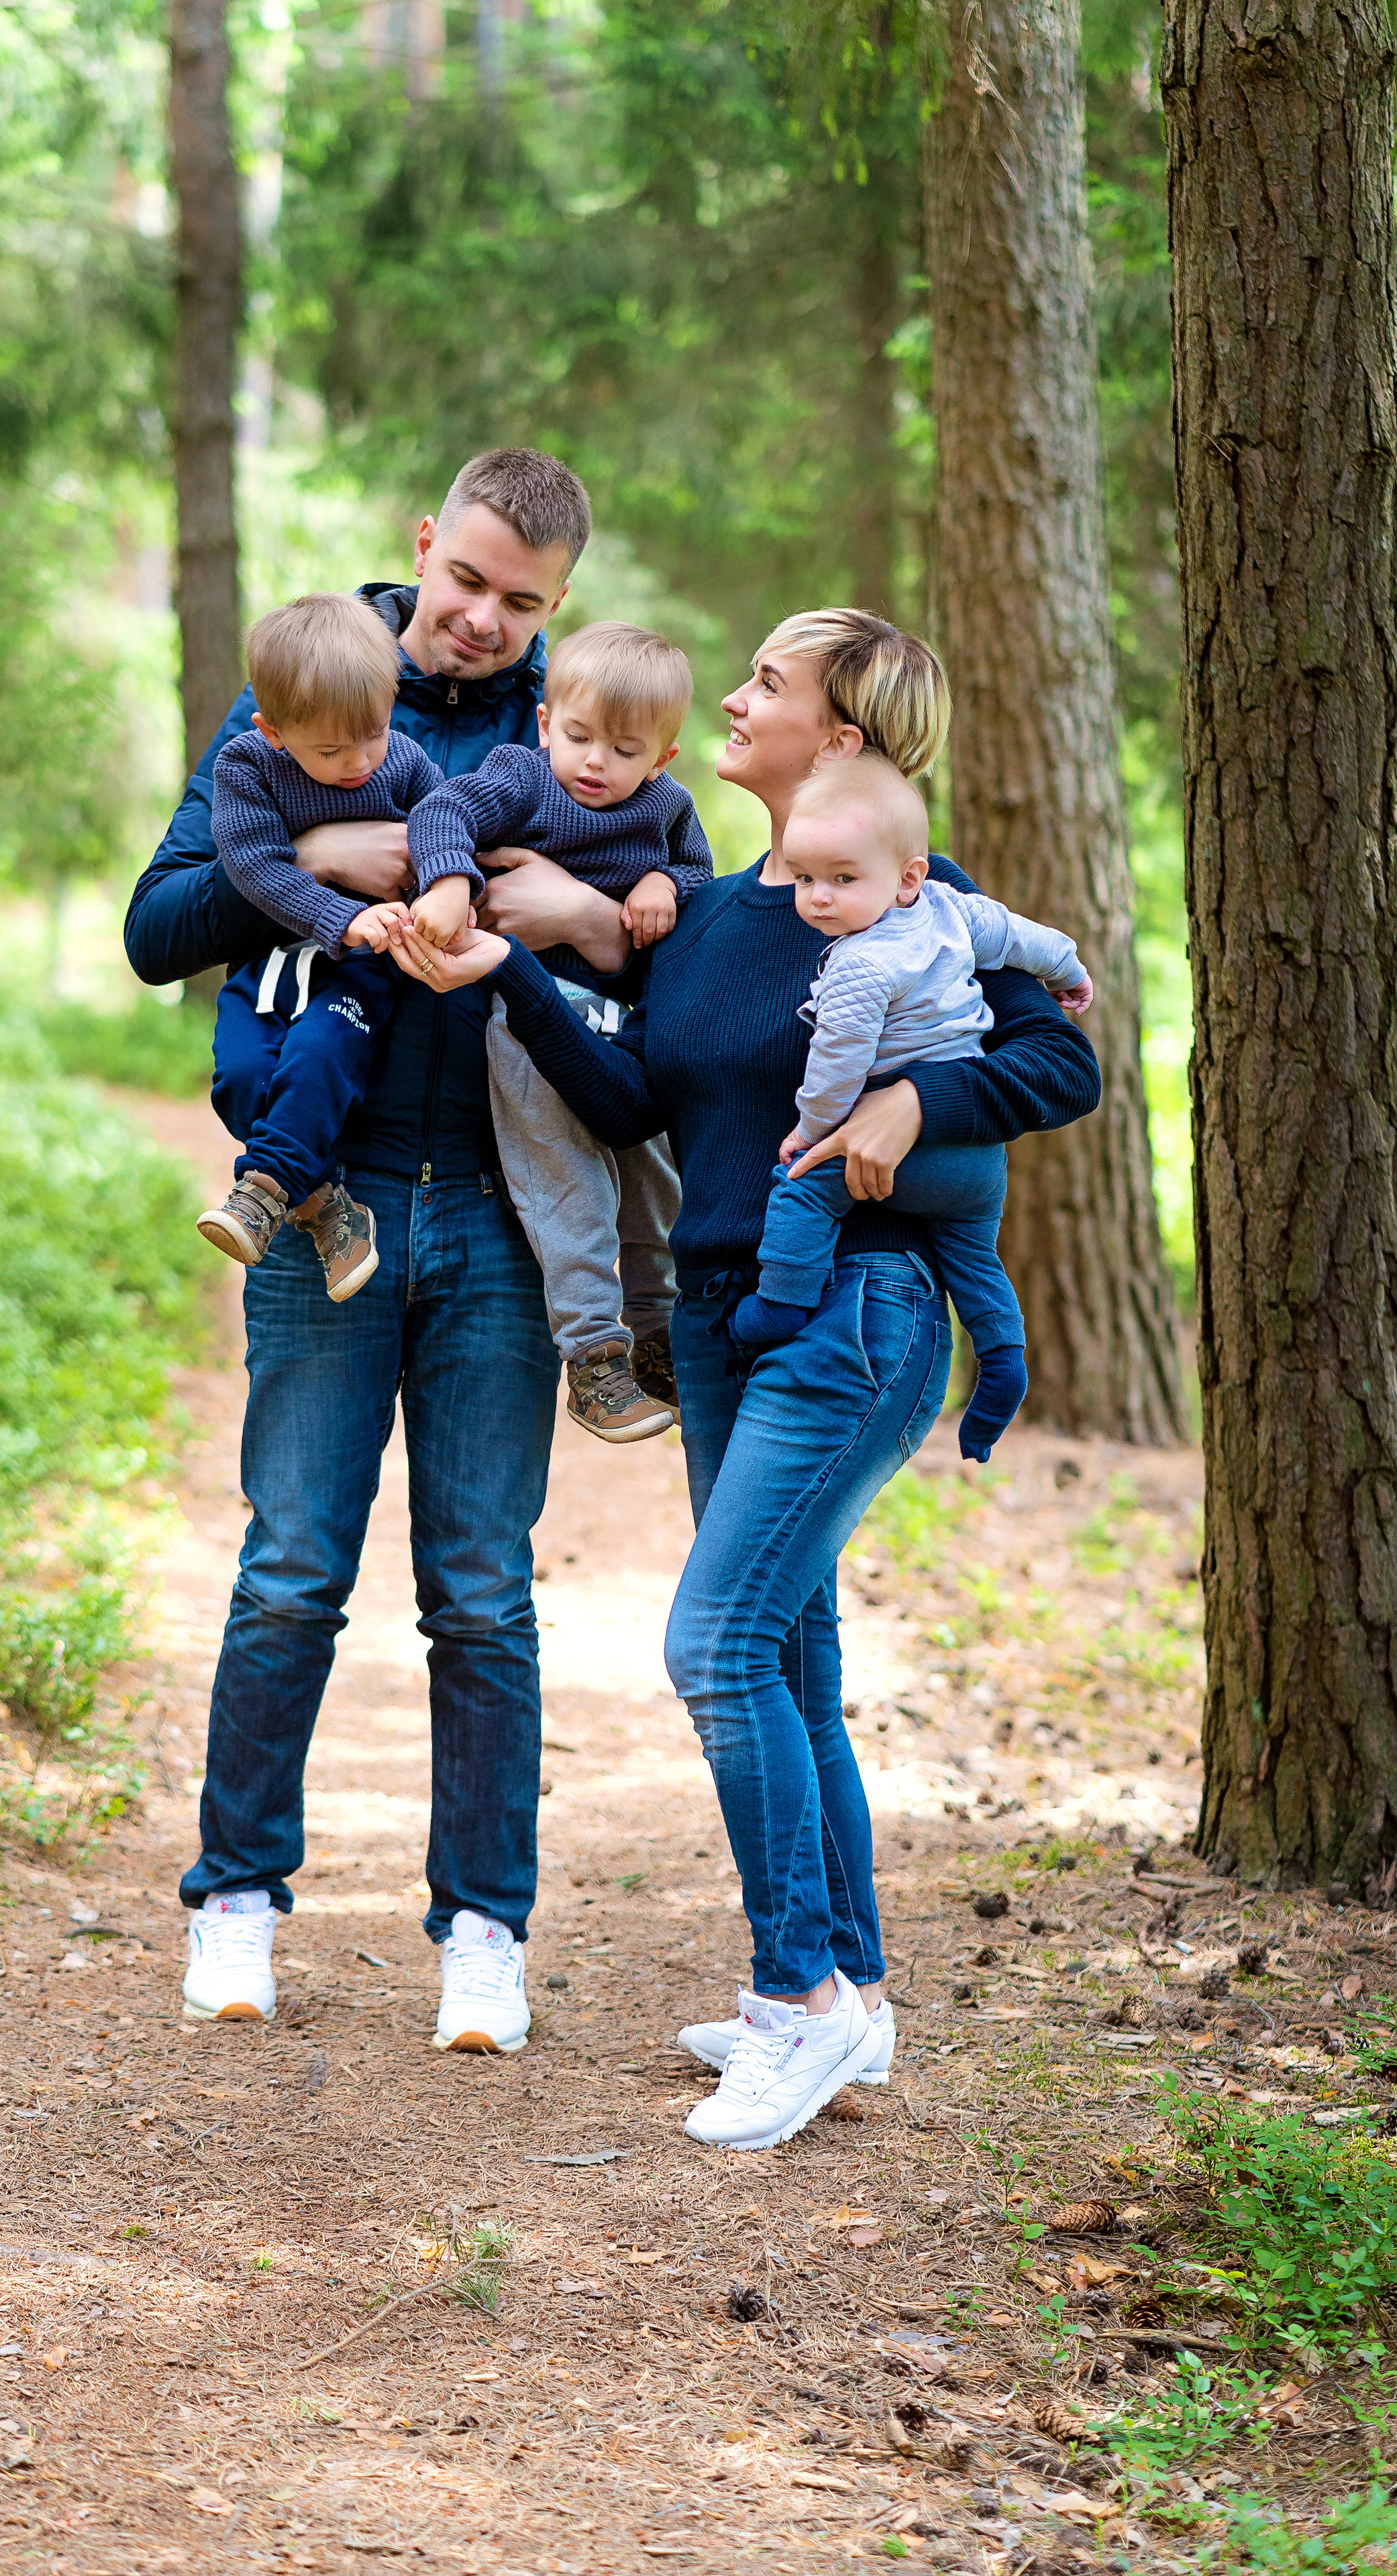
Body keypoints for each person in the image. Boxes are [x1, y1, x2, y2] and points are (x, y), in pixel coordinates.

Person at [382, 606, 1100, 2149]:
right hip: (718, 1314)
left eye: (765, 681)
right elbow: (641, 1093)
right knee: (784, 1661)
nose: (729, 694)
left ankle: (800, 2006)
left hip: (851, 1303)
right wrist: (506, 973)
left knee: (710, 1643)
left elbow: (1062, 1061)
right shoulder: (711, 912)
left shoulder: (907, 890)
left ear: (836, 736)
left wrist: (916, 1097)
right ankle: (849, 1989)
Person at [125, 448, 664, 2049]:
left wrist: (571, 902)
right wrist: (324, 874)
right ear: (423, 544)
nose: (487, 619)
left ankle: (484, 1930)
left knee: (482, 1591)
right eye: (469, 580)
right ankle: (235, 1900)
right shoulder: (310, 686)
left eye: (524, 603)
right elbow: (159, 927)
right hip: (320, 1202)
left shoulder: (586, 743)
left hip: (511, 1216)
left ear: (556, 608)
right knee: (291, 1564)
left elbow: (699, 903)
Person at [730, 756, 1093, 1466]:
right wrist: (1070, 972)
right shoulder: (954, 911)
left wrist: (810, 1131)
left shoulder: (860, 965)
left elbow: (837, 1065)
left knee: (802, 1192)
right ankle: (1002, 1359)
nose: (818, 899)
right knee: (974, 1262)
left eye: (841, 879)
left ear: (907, 876)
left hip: (903, 1151)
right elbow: (1025, 938)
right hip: (975, 1156)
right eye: (805, 879)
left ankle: (778, 1304)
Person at [408, 621, 714, 1439]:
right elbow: (444, 811)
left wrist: (662, 880)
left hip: (627, 1030)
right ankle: (593, 1358)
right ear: (545, 724)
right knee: (566, 1180)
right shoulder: (520, 777)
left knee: (655, 1179)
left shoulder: (669, 810)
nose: (593, 763)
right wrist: (447, 883)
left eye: (623, 749)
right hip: (531, 1026)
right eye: (576, 736)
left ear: (661, 758)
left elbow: (698, 882)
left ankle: (658, 1336)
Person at [194, 592, 444, 1298]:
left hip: (360, 973)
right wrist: (338, 916)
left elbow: (443, 832)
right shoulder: (246, 767)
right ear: (274, 731)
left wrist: (440, 889)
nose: (360, 760)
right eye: (331, 749)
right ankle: (326, 1205)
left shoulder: (406, 763)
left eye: (373, 733)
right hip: (275, 959)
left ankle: (263, 1190)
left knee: (315, 1057)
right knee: (240, 1076)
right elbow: (254, 866)